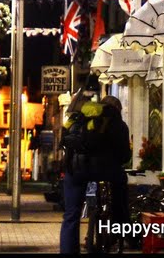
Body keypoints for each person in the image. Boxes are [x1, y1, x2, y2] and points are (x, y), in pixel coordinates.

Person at [59, 83, 131, 254]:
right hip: (105, 170)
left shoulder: (81, 118)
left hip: (76, 169)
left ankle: (68, 251)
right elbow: (124, 156)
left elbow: (67, 145)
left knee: (71, 214)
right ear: (117, 110)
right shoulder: (118, 124)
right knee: (121, 182)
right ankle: (121, 223)